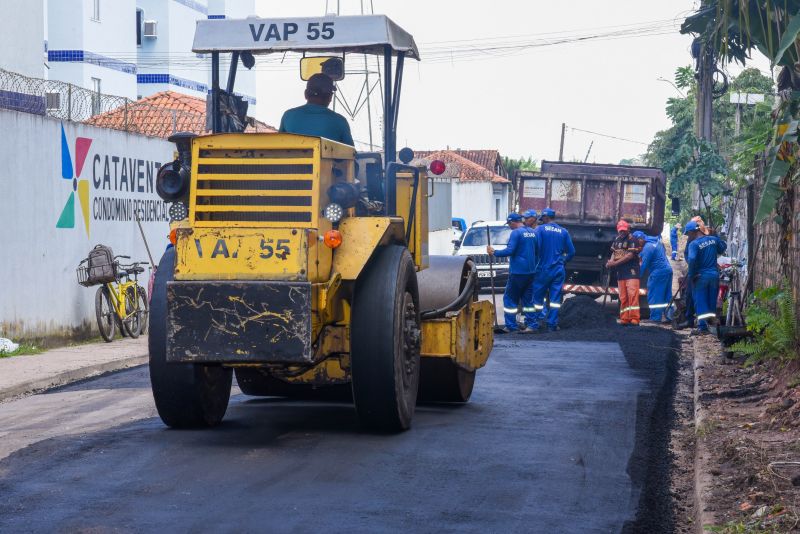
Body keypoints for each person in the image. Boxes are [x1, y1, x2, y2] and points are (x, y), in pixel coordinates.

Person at [487, 213, 538, 333]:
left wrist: (494, 252)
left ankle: (511, 326)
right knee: (528, 300)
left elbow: (510, 250)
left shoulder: (516, 233)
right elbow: (537, 251)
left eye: (509, 224)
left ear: (512, 222)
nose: (509, 226)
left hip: (518, 272)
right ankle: (532, 325)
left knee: (509, 298)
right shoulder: (533, 232)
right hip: (531, 272)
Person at [279, 73, 354, 146]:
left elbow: (278, 146)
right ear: (330, 97)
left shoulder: (288, 116)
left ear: (305, 94)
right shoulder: (340, 121)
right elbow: (351, 154)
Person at [532, 207, 575, 331]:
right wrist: (563, 260)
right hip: (558, 270)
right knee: (555, 299)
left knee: (538, 297)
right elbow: (572, 252)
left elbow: (534, 248)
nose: (541, 221)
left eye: (542, 219)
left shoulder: (539, 230)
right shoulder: (563, 232)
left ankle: (538, 321)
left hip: (542, 270)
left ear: (545, 217)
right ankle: (552, 324)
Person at [685, 220, 727, 334]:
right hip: (714, 275)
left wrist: (692, 274)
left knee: (700, 300)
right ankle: (711, 325)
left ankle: (702, 327)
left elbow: (692, 259)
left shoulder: (693, 244)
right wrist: (716, 236)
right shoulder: (713, 239)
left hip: (701, 276)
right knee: (711, 300)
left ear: (692, 232)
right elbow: (723, 247)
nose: (688, 236)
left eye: (688, 234)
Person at [606, 220, 642, 325]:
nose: (622, 232)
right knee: (623, 296)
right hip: (621, 272)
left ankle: (635, 319)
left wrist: (614, 264)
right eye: (620, 230)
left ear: (628, 230)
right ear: (618, 230)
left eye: (624, 231)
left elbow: (629, 256)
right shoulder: (616, 240)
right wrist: (610, 261)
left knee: (632, 294)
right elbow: (614, 253)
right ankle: (624, 318)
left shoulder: (633, 240)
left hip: (632, 271)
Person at [633, 230, 673, 323]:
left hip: (658, 272)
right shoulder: (656, 242)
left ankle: (655, 318)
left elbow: (643, 265)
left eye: (636, 242)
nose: (636, 244)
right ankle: (670, 317)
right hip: (668, 270)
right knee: (667, 295)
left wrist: (636, 277)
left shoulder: (647, 248)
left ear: (641, 239)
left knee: (655, 295)